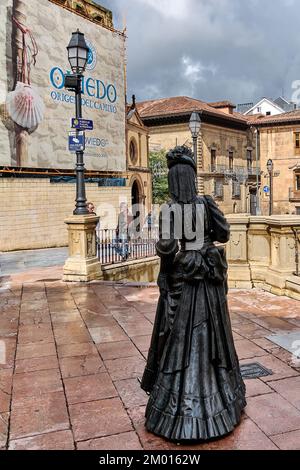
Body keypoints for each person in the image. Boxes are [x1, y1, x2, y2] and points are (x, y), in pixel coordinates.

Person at [141, 145, 246, 442]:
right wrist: (205, 240)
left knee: (177, 341)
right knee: (213, 340)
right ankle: (220, 405)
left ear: (174, 180)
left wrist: (167, 272)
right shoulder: (205, 203)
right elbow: (224, 233)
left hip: (181, 280)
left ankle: (173, 414)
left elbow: (166, 250)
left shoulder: (168, 209)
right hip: (206, 282)